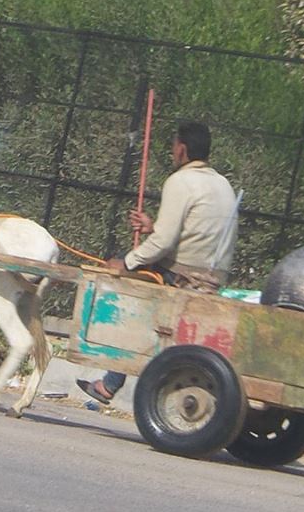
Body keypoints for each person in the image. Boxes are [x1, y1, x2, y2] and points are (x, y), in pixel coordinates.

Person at [78, 120, 240, 405]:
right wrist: (153, 227)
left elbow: (163, 244)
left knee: (129, 295)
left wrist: (126, 263)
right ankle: (111, 382)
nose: (172, 151)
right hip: (215, 275)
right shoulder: (223, 184)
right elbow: (192, 232)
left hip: (183, 276)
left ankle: (110, 383)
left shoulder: (180, 181)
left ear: (182, 149)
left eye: (173, 145)